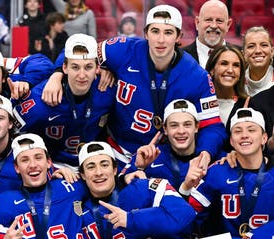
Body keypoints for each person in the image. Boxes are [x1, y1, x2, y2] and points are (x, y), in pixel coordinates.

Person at [44, 4, 226, 168]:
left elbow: (212, 125)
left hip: (162, 157)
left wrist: (206, 151)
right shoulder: (122, 49)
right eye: (155, 31)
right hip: (116, 151)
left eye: (168, 32)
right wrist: (57, 74)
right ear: (145, 33)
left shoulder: (197, 76)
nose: (161, 40)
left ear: (179, 36)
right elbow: (76, 50)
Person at [0, 133, 89, 239]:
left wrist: (124, 179)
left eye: (38, 158)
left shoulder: (71, 187)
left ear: (49, 162)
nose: (33, 165)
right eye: (25, 160)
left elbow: (104, 186)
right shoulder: (2, 204)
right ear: (16, 167)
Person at [15, 33, 115, 169]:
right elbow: (11, 138)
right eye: (75, 67)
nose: (82, 75)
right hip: (50, 167)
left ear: (98, 68)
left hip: (93, 164)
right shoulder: (39, 101)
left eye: (88, 67)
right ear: (64, 68)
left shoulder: (108, 90)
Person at [182, 108, 274, 239]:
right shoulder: (215, 172)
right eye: (237, 131)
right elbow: (190, 217)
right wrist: (185, 188)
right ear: (231, 140)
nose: (244, 135)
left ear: (264, 138)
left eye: (251, 130)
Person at [122, 99, 204, 190]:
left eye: (187, 125)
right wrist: (139, 168)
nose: (181, 131)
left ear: (196, 127)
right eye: (174, 125)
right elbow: (118, 187)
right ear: (165, 129)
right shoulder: (149, 154)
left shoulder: (208, 158)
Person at [205, 45, 248, 132]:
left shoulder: (248, 104)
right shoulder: (200, 103)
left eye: (236, 65)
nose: (230, 70)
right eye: (224, 64)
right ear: (212, 70)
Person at [181, 0, 233, 69]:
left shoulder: (242, 55)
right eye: (208, 20)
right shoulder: (180, 57)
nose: (213, 26)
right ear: (197, 22)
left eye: (219, 21)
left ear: (228, 25)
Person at [243, 27, 274, 97]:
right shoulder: (236, 82)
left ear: (272, 52)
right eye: (251, 46)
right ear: (244, 54)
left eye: (264, 45)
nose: (258, 51)